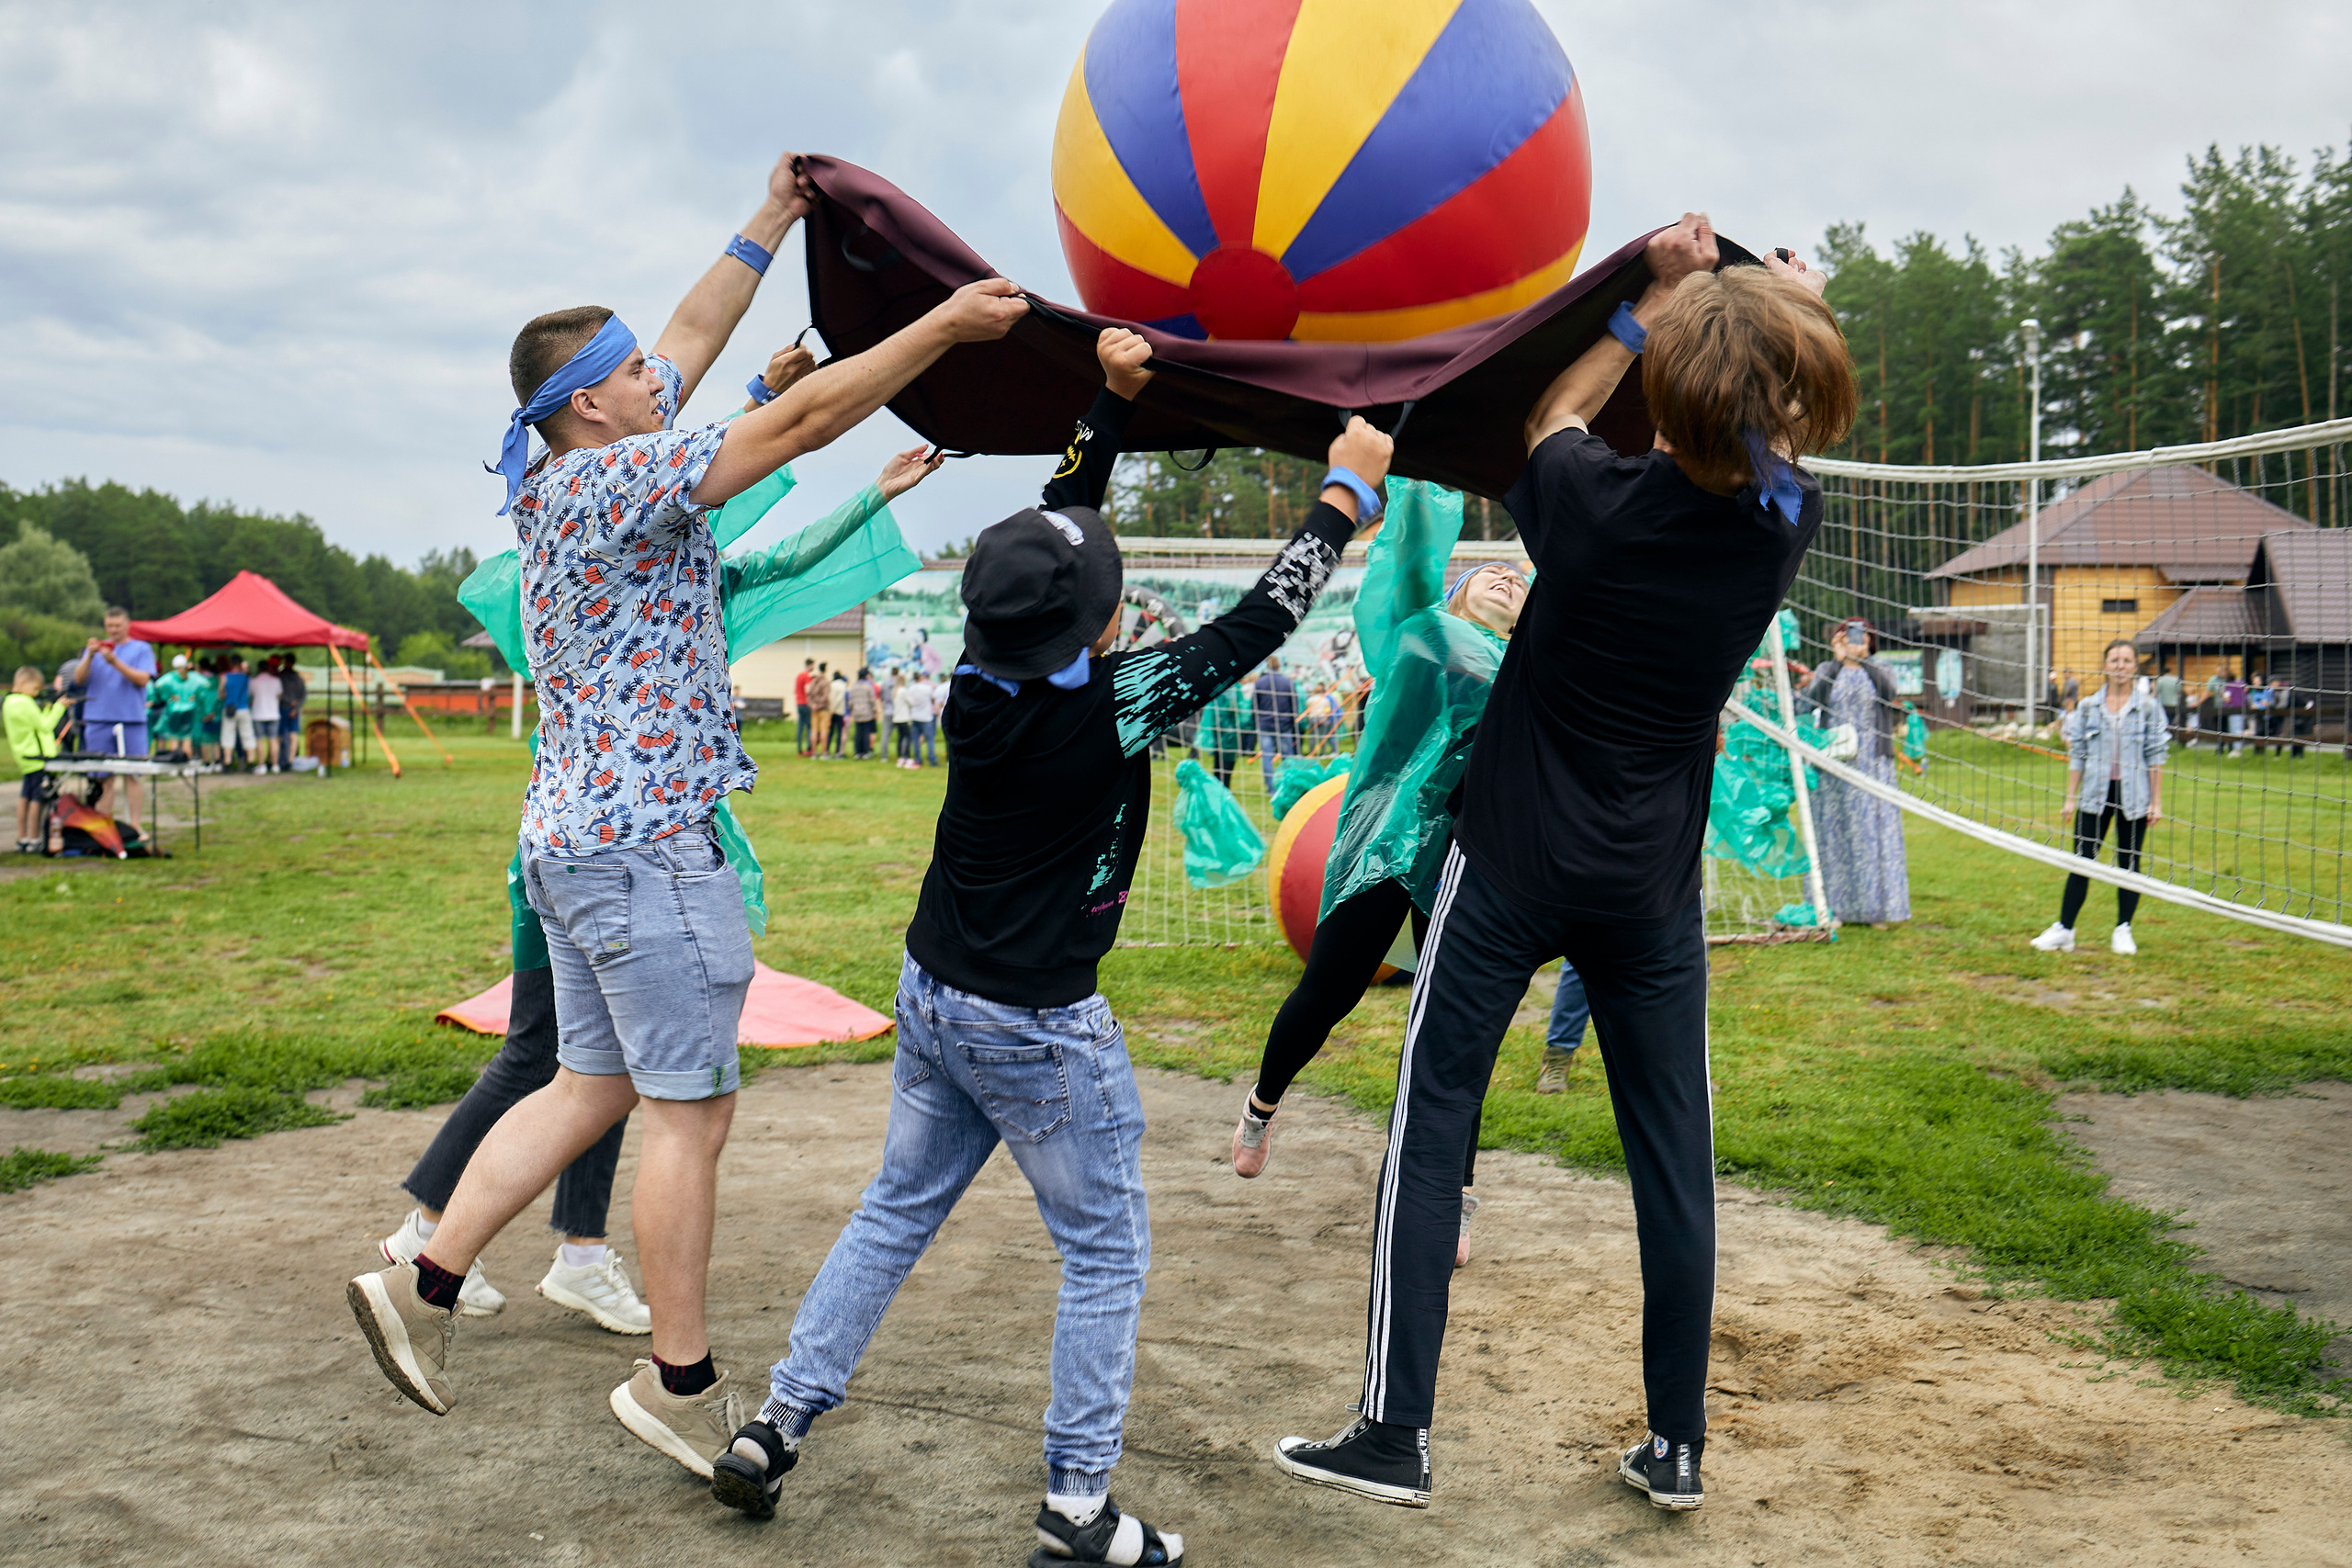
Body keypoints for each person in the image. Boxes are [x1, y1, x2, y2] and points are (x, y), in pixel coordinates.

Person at [345, 146, 1028, 1474]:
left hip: (574, 840)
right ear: (590, 404)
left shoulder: (566, 474)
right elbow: (799, 424)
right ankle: (678, 1380)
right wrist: (940, 327)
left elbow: (689, 336)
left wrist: (768, 217)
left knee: (590, 1081)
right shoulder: (620, 479)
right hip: (650, 848)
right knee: (689, 1113)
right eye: (637, 374)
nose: (665, 375)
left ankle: (422, 1282)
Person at [707, 328, 1388, 1567]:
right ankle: (1077, 1507)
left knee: (894, 1210)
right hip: (1036, 1023)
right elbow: (1257, 622)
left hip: (935, 991)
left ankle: (775, 1425)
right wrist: (1345, 493)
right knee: (1106, 1252)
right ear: (1101, 622)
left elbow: (1052, 540)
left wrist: (1108, 404)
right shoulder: (1115, 701)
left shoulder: (978, 675)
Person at [1272, 220, 1853, 1517]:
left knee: (1433, 1124)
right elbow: (1780, 408)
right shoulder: (1784, 519)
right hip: (1647, 890)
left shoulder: (1591, 503)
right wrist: (1780, 307)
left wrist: (1647, 297)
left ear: (1669, 397)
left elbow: (1554, 410)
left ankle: (1394, 1434)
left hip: (1508, 865)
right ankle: (1676, 1446)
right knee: (1673, 1155)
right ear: (1781, 405)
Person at [1227, 484, 1533, 1269]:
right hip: (1384, 841)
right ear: (1457, 591)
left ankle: (1455, 1191)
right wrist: (1428, 470)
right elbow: (1413, 545)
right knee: (1329, 991)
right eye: (1491, 571)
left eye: (1519, 580)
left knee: (1456, 1028)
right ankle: (1262, 1104)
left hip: (1466, 858)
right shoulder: (1418, 629)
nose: (1507, 576)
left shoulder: (1531, 671)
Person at [2032, 638, 2168, 956]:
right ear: (2105, 665)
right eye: (2114, 660)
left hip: (2134, 796)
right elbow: (2078, 754)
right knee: (2082, 860)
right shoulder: (2088, 706)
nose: (2120, 666)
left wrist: (2156, 802)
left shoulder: (2148, 707)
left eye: (2127, 660)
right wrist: (2070, 798)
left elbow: (2156, 755)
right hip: (2094, 795)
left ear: (2135, 667)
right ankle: (2065, 929)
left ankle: (2123, 929)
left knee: (2129, 862)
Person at [1801, 617, 1909, 926]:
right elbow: (1810, 702)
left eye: (1861, 635)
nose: (1854, 640)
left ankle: (1875, 909)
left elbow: (1889, 692)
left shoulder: (1880, 669)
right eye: (1847, 635)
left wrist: (1863, 660)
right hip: (1833, 763)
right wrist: (1837, 662)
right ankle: (1832, 908)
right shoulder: (1827, 669)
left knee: (1872, 834)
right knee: (1833, 833)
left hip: (1872, 763)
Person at [74, 606, 157, 825]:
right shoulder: (96, 650)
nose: (113, 630)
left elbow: (142, 679)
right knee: (103, 776)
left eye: (117, 625)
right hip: (98, 719)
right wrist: (89, 657)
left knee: (134, 773)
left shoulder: (141, 649)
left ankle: (135, 825)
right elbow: (78, 680)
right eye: (109, 626)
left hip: (132, 719)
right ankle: (103, 828)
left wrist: (115, 662)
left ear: (127, 625)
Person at [7, 666, 67, 852]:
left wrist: (48, 708)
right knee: (37, 799)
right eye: (34, 689)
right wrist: (60, 707)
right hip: (39, 758)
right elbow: (45, 726)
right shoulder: (26, 702)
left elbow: (35, 724)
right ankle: (34, 838)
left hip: (25, 757)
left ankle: (22, 838)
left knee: (25, 797)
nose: (35, 694)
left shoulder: (9, 702)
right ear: (23, 683)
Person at [1253, 656, 1298, 796]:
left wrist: (1257, 722)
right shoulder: (1288, 682)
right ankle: (1289, 785)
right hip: (1283, 725)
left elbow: (1254, 705)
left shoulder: (1259, 682)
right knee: (1287, 757)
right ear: (1278, 666)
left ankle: (1271, 788)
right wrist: (1292, 723)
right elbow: (1294, 705)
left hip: (1265, 724)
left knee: (1267, 757)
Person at [249, 655, 285, 775]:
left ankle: (261, 765)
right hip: (273, 714)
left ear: (259, 669)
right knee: (273, 740)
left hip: (258, 714)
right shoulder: (276, 681)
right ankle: (275, 765)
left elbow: (251, 696)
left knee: (259, 740)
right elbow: (279, 697)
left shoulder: (253, 682)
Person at [220, 655, 254, 769]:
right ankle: (250, 761)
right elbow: (250, 693)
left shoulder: (225, 677)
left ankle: (227, 762)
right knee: (247, 735)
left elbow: (221, 695)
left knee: (228, 735)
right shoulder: (246, 677)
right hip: (243, 708)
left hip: (229, 709)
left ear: (230, 663)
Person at [845, 665, 879, 759]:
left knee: (858, 733)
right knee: (866, 733)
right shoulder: (868, 686)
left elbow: (850, 701)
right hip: (867, 713)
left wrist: (851, 710)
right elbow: (872, 700)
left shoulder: (854, 686)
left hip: (856, 713)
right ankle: (865, 752)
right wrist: (875, 711)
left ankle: (858, 752)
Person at [907, 670, 939, 766]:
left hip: (915, 716)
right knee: (930, 739)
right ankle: (932, 759)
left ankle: (918, 758)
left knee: (916, 740)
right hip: (926, 716)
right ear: (921, 678)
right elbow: (933, 699)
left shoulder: (911, 688)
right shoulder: (927, 688)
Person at [280, 658, 308, 767]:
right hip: (292, 709)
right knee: (292, 736)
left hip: (284, 708)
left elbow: (279, 694)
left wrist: (292, 705)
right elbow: (303, 695)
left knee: (286, 736)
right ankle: (289, 760)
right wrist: (295, 706)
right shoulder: (298, 678)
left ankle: (288, 760)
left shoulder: (281, 677)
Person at [889, 663, 916, 766]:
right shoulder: (904, 691)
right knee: (907, 737)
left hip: (896, 718)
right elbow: (911, 702)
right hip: (904, 717)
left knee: (900, 737)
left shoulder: (895, 691)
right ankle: (906, 755)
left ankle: (900, 755)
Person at [808, 660, 832, 759]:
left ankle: (814, 752)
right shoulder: (825, 682)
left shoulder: (813, 681)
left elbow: (809, 695)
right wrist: (819, 705)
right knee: (823, 731)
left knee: (814, 731)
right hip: (823, 709)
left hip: (814, 710)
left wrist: (812, 705)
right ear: (825, 669)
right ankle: (824, 753)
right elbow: (825, 696)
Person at [793, 659, 816, 754]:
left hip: (799, 703)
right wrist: (811, 703)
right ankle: (809, 748)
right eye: (813, 665)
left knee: (800, 727)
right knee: (809, 726)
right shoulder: (807, 676)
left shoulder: (799, 675)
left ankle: (799, 749)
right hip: (805, 703)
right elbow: (808, 690)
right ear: (809, 665)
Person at [828, 666, 850, 756]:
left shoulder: (831, 684)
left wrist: (830, 711)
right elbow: (840, 699)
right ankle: (838, 751)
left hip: (831, 712)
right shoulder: (843, 685)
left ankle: (827, 750)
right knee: (839, 733)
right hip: (840, 712)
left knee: (830, 732)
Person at [2154, 666, 2183, 733]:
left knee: (2164, 719)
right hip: (2174, 703)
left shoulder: (2160, 680)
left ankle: (2165, 731)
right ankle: (2170, 731)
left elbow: (2157, 692)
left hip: (2164, 703)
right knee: (2171, 719)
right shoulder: (2176, 679)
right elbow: (2179, 690)